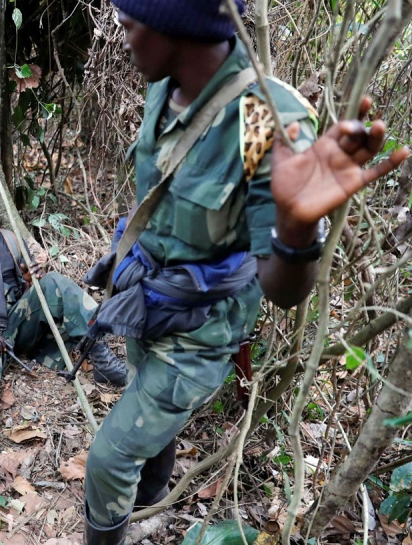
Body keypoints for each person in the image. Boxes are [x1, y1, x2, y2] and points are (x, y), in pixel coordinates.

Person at [80, 1, 411, 543]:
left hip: (199, 332)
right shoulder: (163, 85)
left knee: (107, 460)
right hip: (147, 299)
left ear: (174, 27)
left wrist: (296, 230)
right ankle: (153, 501)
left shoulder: (259, 118)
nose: (120, 36)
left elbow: (283, 290)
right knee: (145, 399)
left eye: (127, 22)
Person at [0, 180, 128, 503]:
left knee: (57, 284)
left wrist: (36, 273)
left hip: (13, 329)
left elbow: (33, 283)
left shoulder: (9, 240)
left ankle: (98, 354)